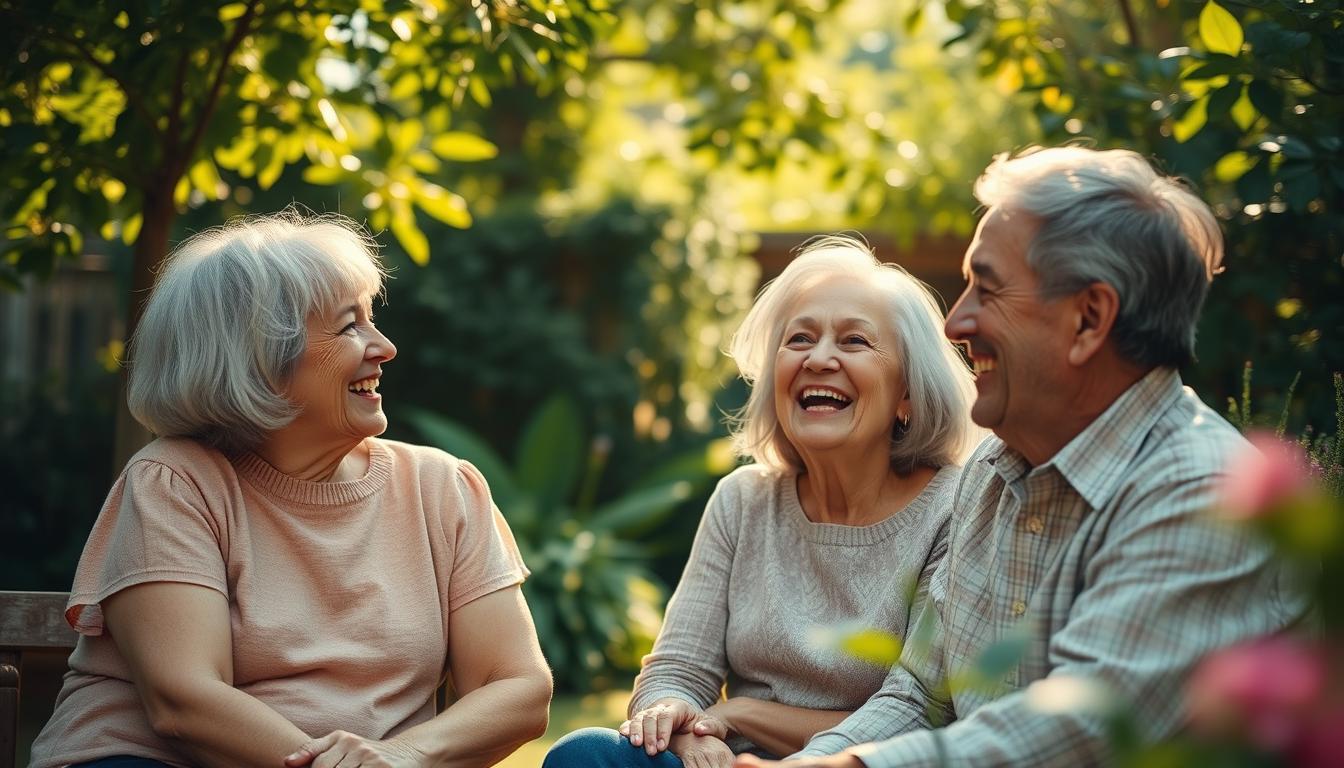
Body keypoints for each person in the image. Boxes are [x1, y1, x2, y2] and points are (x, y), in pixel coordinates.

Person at [737, 146, 1305, 768]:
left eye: (988, 288)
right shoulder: (992, 474)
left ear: (1088, 319)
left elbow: (1082, 732)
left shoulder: (1204, 492)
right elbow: (919, 689)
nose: (956, 322)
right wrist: (812, 761)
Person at [28, 210, 552, 768]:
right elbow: (185, 702)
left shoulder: (441, 489)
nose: (385, 347)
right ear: (257, 358)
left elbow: (518, 687)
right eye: (350, 326)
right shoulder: (175, 483)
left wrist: (402, 755)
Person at [544, 235, 980, 768]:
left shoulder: (956, 507)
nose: (819, 358)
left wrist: (742, 716)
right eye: (799, 339)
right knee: (586, 755)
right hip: (726, 760)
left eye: (854, 342)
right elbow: (677, 670)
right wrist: (683, 723)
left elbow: (921, 710)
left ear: (908, 395)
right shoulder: (743, 500)